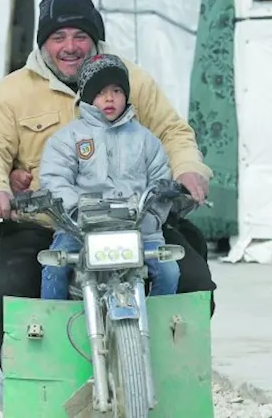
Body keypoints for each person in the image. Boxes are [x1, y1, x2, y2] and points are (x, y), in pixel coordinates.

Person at [0, 0, 215, 371]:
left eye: (80, 36)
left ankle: (173, 374)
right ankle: (22, 379)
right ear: (43, 43)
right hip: (50, 224)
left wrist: (188, 170)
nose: (70, 46)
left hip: (132, 220)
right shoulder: (12, 93)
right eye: (58, 37)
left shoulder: (131, 80)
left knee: (192, 278)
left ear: (95, 39)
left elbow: (172, 132)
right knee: (6, 287)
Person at [38, 53, 179, 300]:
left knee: (169, 270)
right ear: (88, 97)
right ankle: (55, 328)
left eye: (117, 90)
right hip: (80, 230)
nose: (110, 98)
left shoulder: (145, 139)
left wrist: (152, 213)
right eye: (101, 91)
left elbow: (159, 181)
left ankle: (157, 329)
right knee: (54, 268)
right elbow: (55, 178)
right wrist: (76, 213)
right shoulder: (68, 138)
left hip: (138, 230)